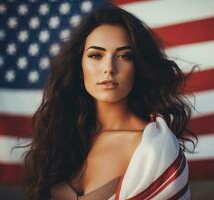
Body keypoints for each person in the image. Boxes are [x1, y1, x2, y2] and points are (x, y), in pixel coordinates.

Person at [21, 3, 197, 200]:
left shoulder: (154, 148)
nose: (109, 68)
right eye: (96, 55)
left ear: (138, 67)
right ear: (79, 67)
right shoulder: (62, 134)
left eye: (124, 56)